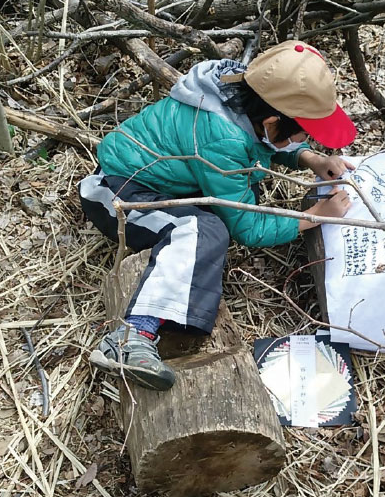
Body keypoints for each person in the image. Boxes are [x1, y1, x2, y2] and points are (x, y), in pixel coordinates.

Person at [79, 40, 357, 391]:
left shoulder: (238, 92)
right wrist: (316, 216)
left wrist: (311, 159)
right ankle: (131, 336)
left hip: (163, 180)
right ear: (273, 121)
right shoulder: (223, 137)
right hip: (117, 193)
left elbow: (264, 141)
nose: (307, 140)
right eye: (304, 134)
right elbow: (249, 228)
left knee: (235, 202)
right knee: (201, 230)